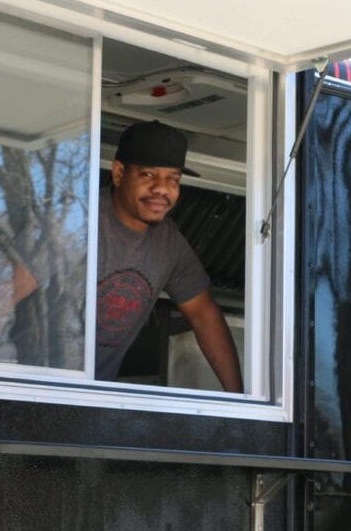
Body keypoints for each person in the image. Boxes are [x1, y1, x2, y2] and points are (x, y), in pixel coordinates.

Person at [95, 120, 243, 391]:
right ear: (118, 174)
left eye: (173, 179)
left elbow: (203, 314)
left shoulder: (167, 240)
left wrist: (241, 401)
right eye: (148, 175)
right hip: (25, 387)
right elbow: (1, 294)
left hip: (87, 400)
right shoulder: (79, 219)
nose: (162, 189)